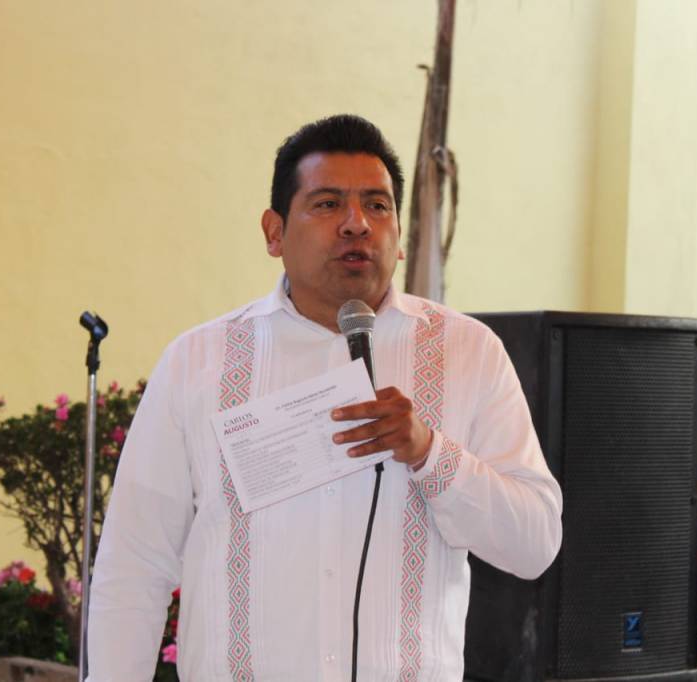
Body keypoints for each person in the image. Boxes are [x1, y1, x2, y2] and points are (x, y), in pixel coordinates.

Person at [87, 114, 562, 681]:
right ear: (274, 232)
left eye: (377, 206)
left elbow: (535, 544)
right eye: (328, 203)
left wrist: (430, 453)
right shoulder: (198, 362)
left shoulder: (468, 352)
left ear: (399, 235)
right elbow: (134, 565)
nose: (357, 224)